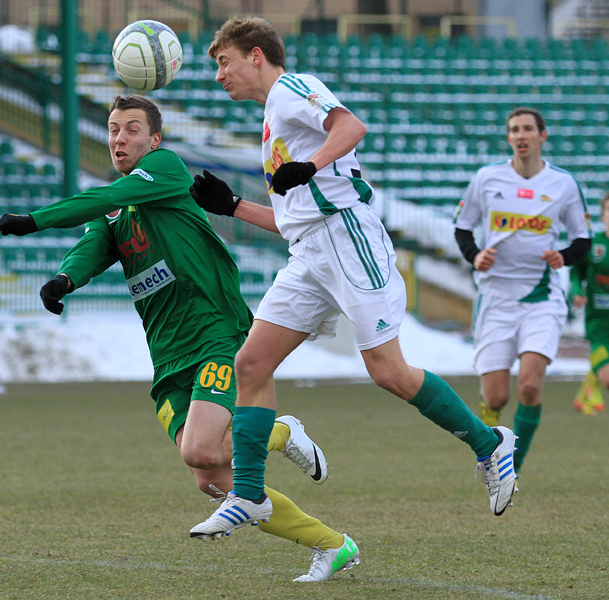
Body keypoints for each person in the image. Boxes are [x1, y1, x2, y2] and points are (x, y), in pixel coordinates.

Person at [0, 94, 359, 583]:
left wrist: (31, 221)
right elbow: (96, 241)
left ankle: (281, 431)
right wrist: (65, 279)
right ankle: (334, 545)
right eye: (114, 129)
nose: (120, 138)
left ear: (154, 139)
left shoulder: (163, 168)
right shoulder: (118, 206)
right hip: (167, 352)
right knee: (212, 477)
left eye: (131, 129)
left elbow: (101, 200)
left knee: (200, 450)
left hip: (213, 330)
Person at [183, 17, 518, 536]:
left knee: (388, 372)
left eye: (223, 62)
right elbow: (292, 217)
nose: (219, 75)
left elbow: (350, 126)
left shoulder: (293, 87)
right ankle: (249, 495)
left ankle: (490, 444)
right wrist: (232, 205)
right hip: (310, 251)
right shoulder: (273, 119)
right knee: (250, 364)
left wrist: (313, 164)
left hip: (348, 238)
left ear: (255, 55)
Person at [454, 107, 592, 474]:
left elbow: (583, 237)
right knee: (496, 396)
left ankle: (511, 468)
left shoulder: (563, 184)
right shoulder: (486, 178)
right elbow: (463, 227)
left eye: (528, 129)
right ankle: (489, 456)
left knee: (530, 386)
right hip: (495, 298)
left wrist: (563, 256)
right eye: (514, 129)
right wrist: (475, 255)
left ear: (542, 136)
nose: (521, 135)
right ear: (508, 137)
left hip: (541, 297)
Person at [569, 191, 609, 416]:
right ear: (602, 215)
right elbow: (576, 273)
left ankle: (585, 392)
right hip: (599, 324)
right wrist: (576, 292)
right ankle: (591, 388)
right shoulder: (593, 246)